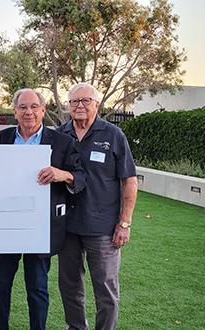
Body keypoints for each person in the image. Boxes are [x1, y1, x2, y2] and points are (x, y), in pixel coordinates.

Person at [0, 88, 85, 330]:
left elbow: (81, 178)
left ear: (43, 110)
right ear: (15, 112)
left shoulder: (63, 143)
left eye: (34, 106)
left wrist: (61, 174)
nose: (28, 112)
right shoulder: (1, 138)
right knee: (0, 285)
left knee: (37, 288)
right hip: (6, 226)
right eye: (22, 107)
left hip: (40, 228)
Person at [56, 82, 137, 330]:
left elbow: (129, 181)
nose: (79, 106)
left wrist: (124, 223)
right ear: (68, 105)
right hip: (67, 227)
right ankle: (76, 327)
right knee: (70, 286)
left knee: (105, 289)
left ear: (96, 104)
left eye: (85, 101)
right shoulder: (60, 135)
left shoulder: (112, 135)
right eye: (74, 102)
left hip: (103, 229)